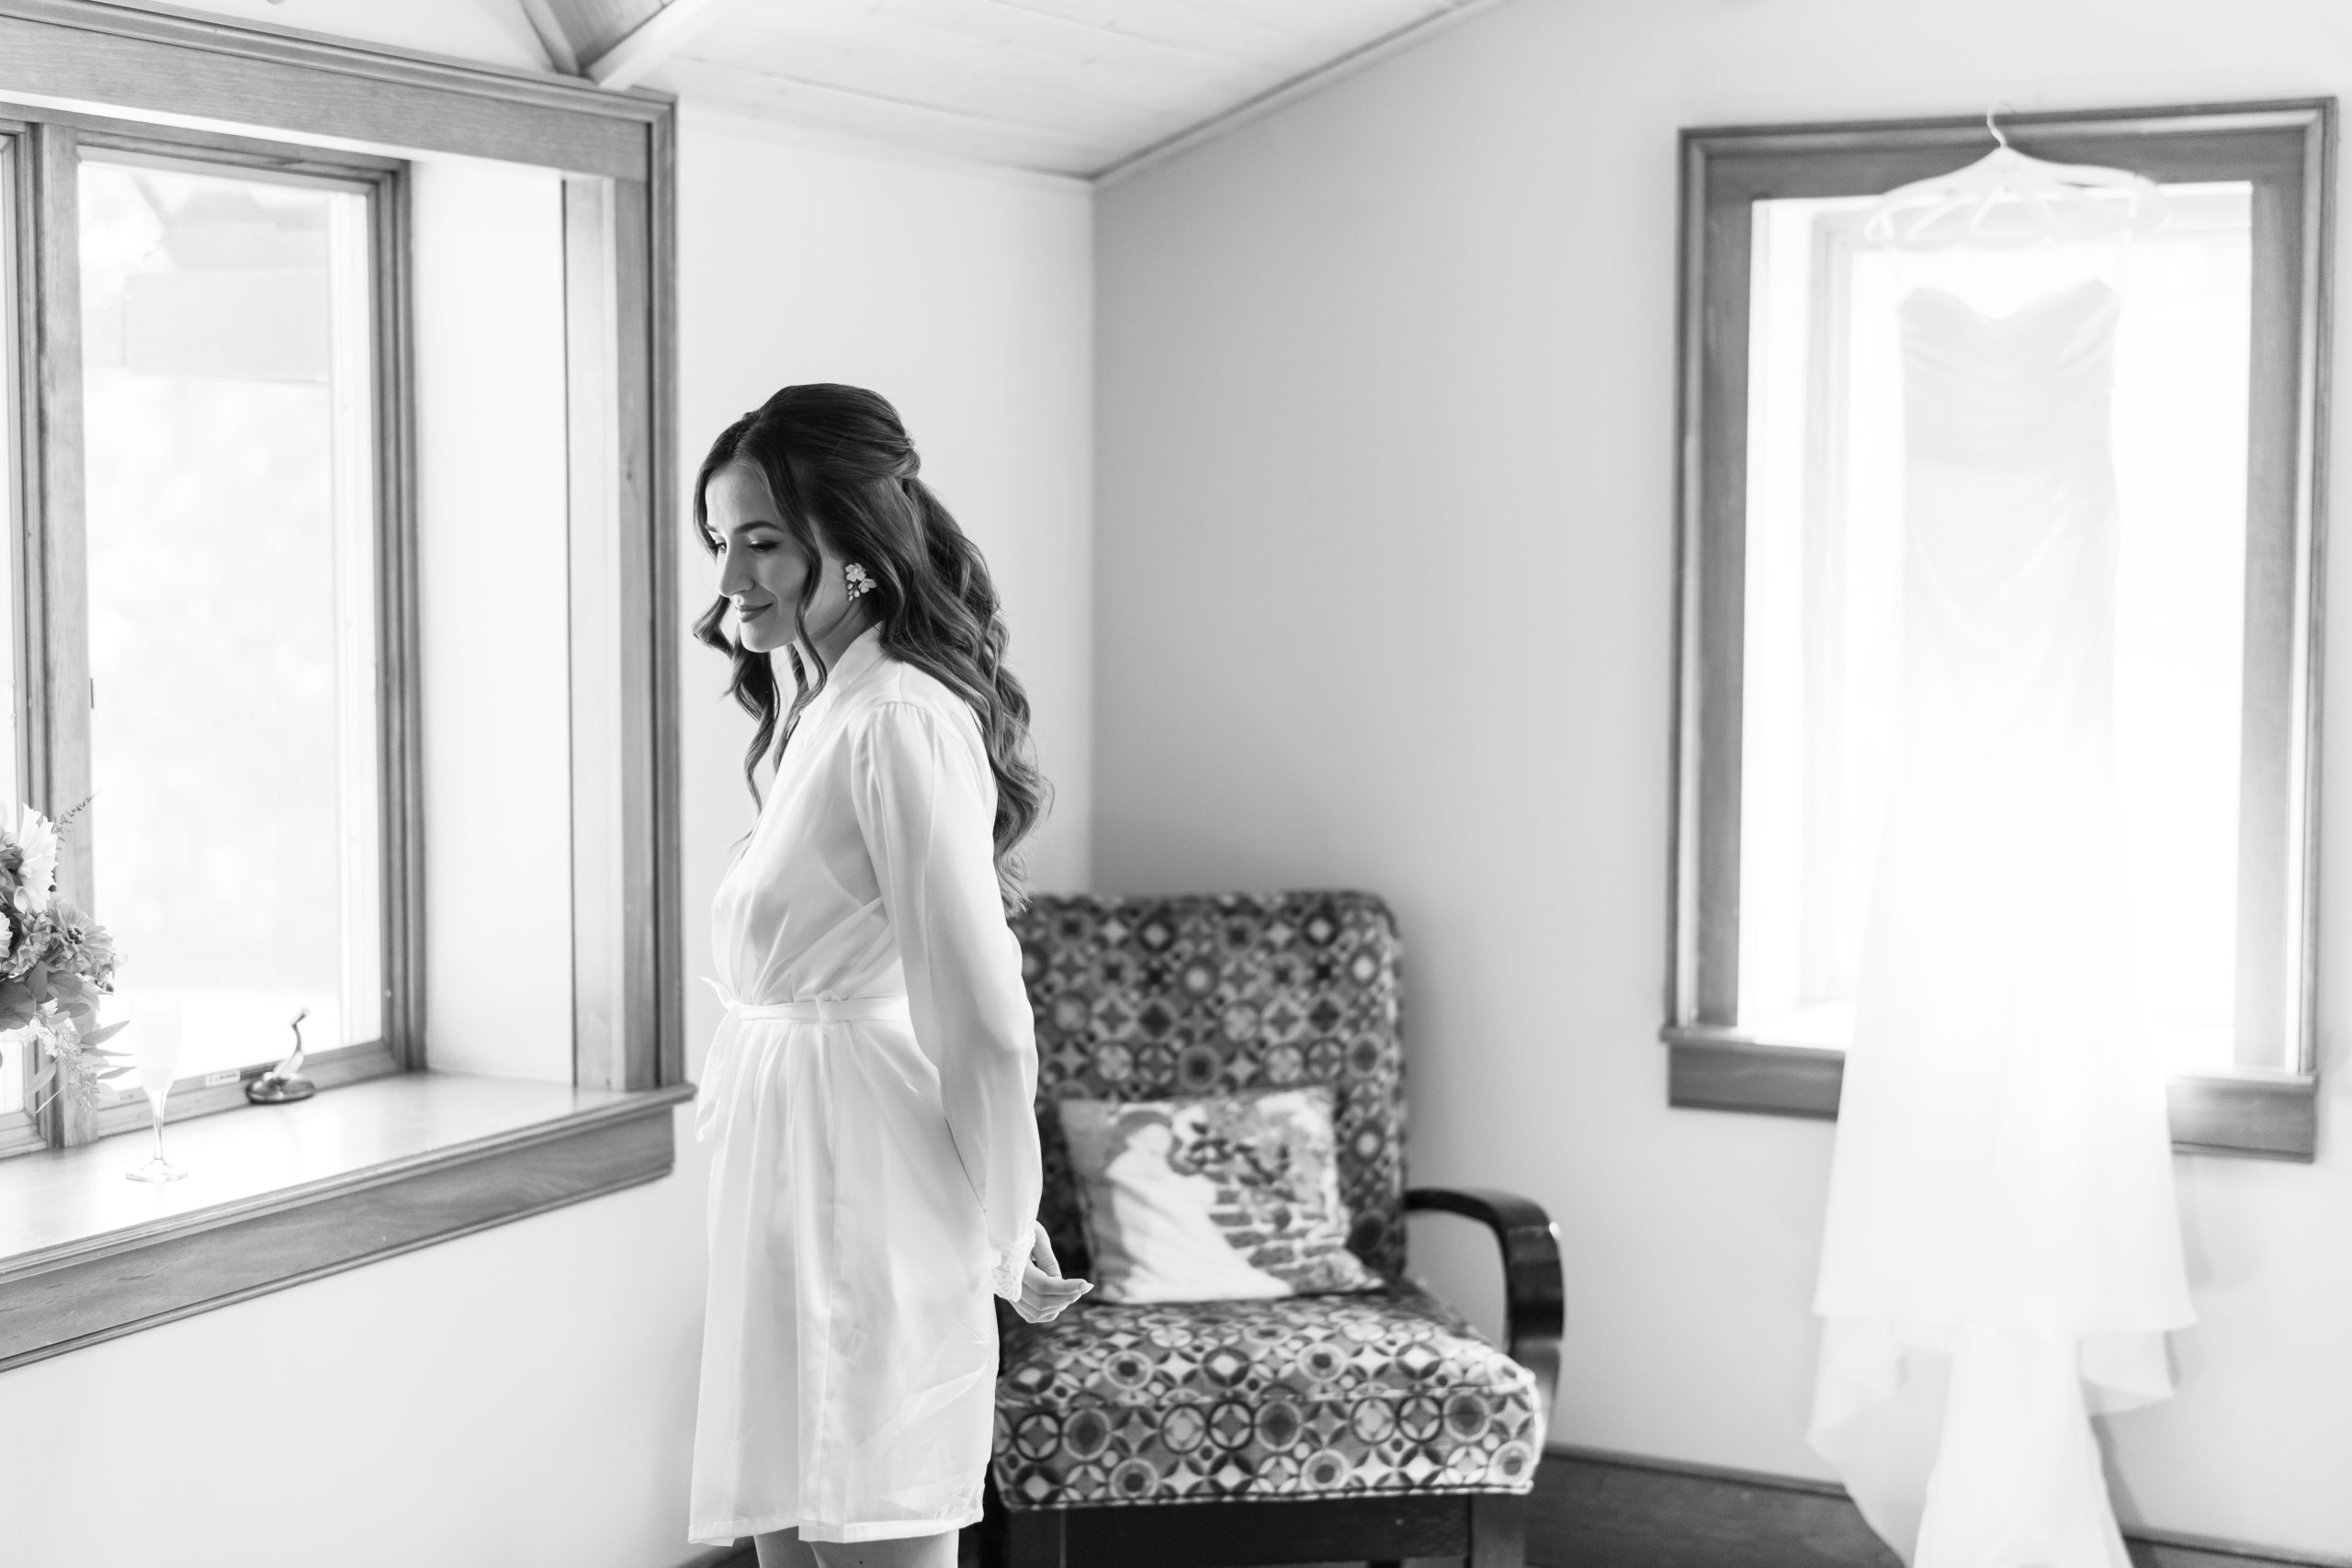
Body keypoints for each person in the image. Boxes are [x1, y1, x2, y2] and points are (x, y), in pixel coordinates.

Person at [685, 384, 1090, 1568]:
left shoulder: (897, 721)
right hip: (785, 1166)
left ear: (852, 547)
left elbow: (985, 1019)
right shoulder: (825, 707)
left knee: (872, 1513)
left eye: (764, 540)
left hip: (866, 1177)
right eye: (722, 542)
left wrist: (1009, 1225)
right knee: (787, 1524)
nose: (733, 578)